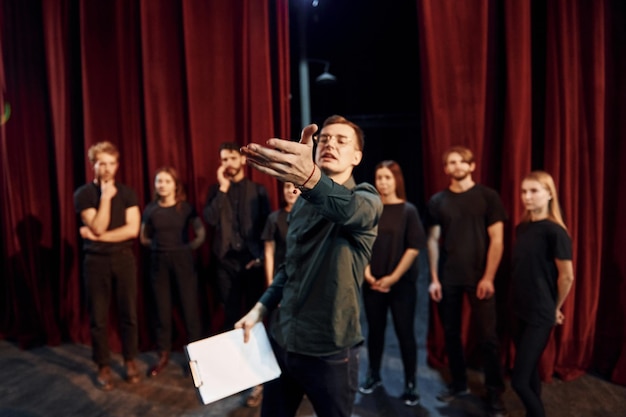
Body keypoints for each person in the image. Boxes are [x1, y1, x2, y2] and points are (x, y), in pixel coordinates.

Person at [235, 115, 383, 417]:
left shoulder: (366, 198)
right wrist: (259, 310)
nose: (330, 144)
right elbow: (290, 267)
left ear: (357, 156)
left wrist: (311, 179)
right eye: (325, 139)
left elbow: (348, 210)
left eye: (342, 140)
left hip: (329, 351)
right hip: (284, 339)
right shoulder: (300, 204)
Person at [426, 146, 509, 417]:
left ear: (472, 166)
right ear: (446, 169)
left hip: (480, 277)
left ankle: (494, 392)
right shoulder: (438, 201)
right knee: (451, 334)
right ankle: (459, 384)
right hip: (448, 277)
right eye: (451, 162)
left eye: (462, 161)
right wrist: (435, 278)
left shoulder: (488, 197)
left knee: (487, 337)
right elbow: (433, 242)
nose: (457, 166)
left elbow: (497, 239)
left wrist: (489, 276)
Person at [73, 141, 141, 391]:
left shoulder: (128, 193)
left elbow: (132, 230)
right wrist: (105, 197)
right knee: (99, 318)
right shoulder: (84, 194)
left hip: (123, 259)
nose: (107, 169)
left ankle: (130, 360)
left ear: (117, 165)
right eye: (102, 163)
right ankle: (103, 365)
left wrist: (96, 235)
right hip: (96, 262)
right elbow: (99, 224)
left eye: (112, 163)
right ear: (94, 165)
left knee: (129, 314)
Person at [358, 160, 426, 407]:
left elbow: (414, 247)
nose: (383, 182)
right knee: (374, 332)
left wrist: (393, 278)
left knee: (404, 332)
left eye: (387, 177)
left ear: (396, 180)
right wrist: (366, 272)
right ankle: (373, 375)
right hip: (373, 282)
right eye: (379, 177)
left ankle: (411, 383)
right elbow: (363, 243)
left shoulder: (408, 210)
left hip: (400, 284)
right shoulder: (371, 209)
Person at [510, 171, 574, 417]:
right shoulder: (522, 227)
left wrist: (554, 307)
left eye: (534, 191)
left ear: (549, 194)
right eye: (524, 191)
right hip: (519, 309)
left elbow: (566, 276)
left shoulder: (555, 232)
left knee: (519, 381)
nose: (527, 196)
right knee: (530, 372)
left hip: (540, 312)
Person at [140, 166, 206, 377]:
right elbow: (143, 237)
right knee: (162, 311)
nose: (162, 185)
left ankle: (195, 357)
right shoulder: (150, 209)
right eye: (159, 181)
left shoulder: (185, 208)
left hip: (183, 263)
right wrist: (160, 247)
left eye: (167, 181)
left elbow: (200, 234)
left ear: (175, 185)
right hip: (159, 264)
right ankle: (164, 354)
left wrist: (186, 249)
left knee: (190, 311)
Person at [243, 181, 301, 408]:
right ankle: (264, 383)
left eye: (295, 186)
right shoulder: (274, 218)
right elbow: (268, 252)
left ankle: (299, 382)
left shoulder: (310, 216)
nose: (290, 191)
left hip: (302, 285)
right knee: (274, 335)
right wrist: (270, 286)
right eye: (286, 186)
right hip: (279, 283)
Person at [203, 142, 271, 332]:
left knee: (253, 313)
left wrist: (260, 258)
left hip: (252, 260)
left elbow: (267, 227)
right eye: (225, 159)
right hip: (225, 261)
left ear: (242, 159)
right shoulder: (216, 190)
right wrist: (223, 189)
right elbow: (211, 219)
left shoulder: (258, 190)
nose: (229, 163)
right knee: (229, 313)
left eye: (233, 158)